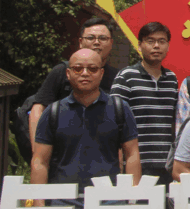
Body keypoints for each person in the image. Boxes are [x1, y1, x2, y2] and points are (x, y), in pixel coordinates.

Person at [31, 49, 139, 209]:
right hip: (65, 205)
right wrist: (40, 207)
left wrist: (132, 202)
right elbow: (40, 161)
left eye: (92, 69)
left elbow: (131, 155)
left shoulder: (119, 108)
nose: (85, 73)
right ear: (68, 73)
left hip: (110, 202)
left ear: (101, 73)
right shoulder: (53, 112)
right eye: (78, 68)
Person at [110, 22, 179, 209]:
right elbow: (113, 121)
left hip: (165, 167)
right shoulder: (126, 77)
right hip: (136, 166)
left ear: (168, 46)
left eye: (161, 41)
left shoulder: (172, 80)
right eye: (150, 41)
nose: (156, 46)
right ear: (140, 45)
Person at [28, 17, 121, 148]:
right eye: (91, 38)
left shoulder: (118, 77)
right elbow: (38, 108)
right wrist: (37, 149)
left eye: (103, 38)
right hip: (62, 150)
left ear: (111, 43)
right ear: (81, 42)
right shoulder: (62, 71)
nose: (96, 42)